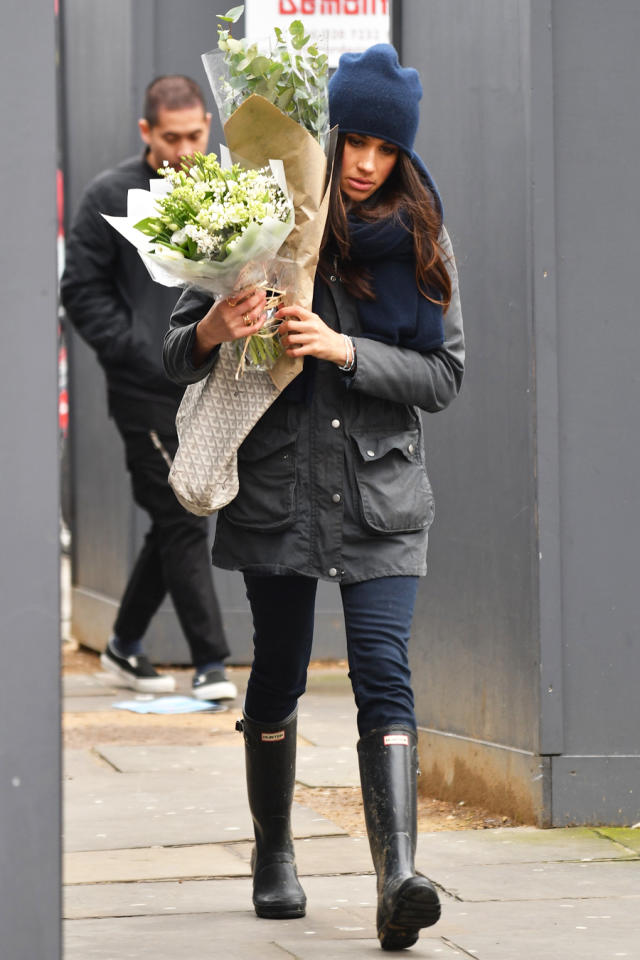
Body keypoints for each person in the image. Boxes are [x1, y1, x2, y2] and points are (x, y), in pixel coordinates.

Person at [163, 45, 464, 949]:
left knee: (383, 673)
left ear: (403, 154)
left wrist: (343, 349)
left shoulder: (422, 235)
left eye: (385, 147)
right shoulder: (260, 206)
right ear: (329, 135)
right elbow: (175, 351)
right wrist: (221, 322)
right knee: (282, 672)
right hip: (281, 488)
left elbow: (445, 375)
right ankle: (273, 854)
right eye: (355, 140)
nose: (366, 162)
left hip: (379, 494)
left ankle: (398, 876)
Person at [61, 76, 237, 702]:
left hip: (209, 382)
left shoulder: (227, 192)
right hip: (144, 391)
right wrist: (137, 352)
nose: (185, 149)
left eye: (195, 135)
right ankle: (212, 662)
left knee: (170, 521)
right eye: (171, 138)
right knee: (185, 514)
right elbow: (80, 291)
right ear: (146, 132)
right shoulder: (109, 194)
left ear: (208, 127)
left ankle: (122, 643)